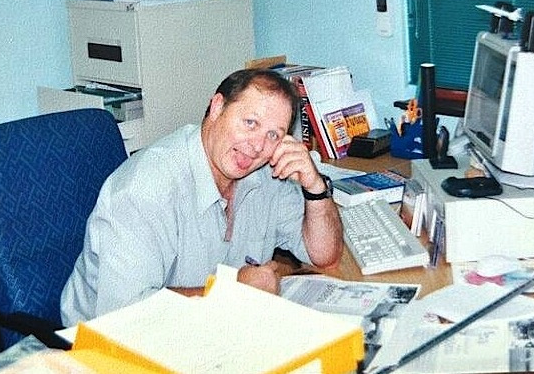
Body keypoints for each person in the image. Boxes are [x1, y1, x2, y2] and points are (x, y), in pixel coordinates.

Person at [60, 68, 343, 326]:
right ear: (217, 107)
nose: (258, 145)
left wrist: (314, 186)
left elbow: (323, 254)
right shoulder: (145, 189)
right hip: (106, 347)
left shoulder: (265, 172)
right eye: (250, 123)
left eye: (273, 134)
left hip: (209, 328)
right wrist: (230, 292)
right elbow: (123, 318)